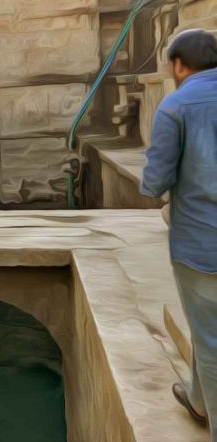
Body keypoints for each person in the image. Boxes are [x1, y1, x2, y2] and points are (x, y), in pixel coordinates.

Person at [141, 28, 217, 439]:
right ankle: (199, 402)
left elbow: (155, 182)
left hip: (202, 247)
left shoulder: (177, 106)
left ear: (179, 65)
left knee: (211, 341)